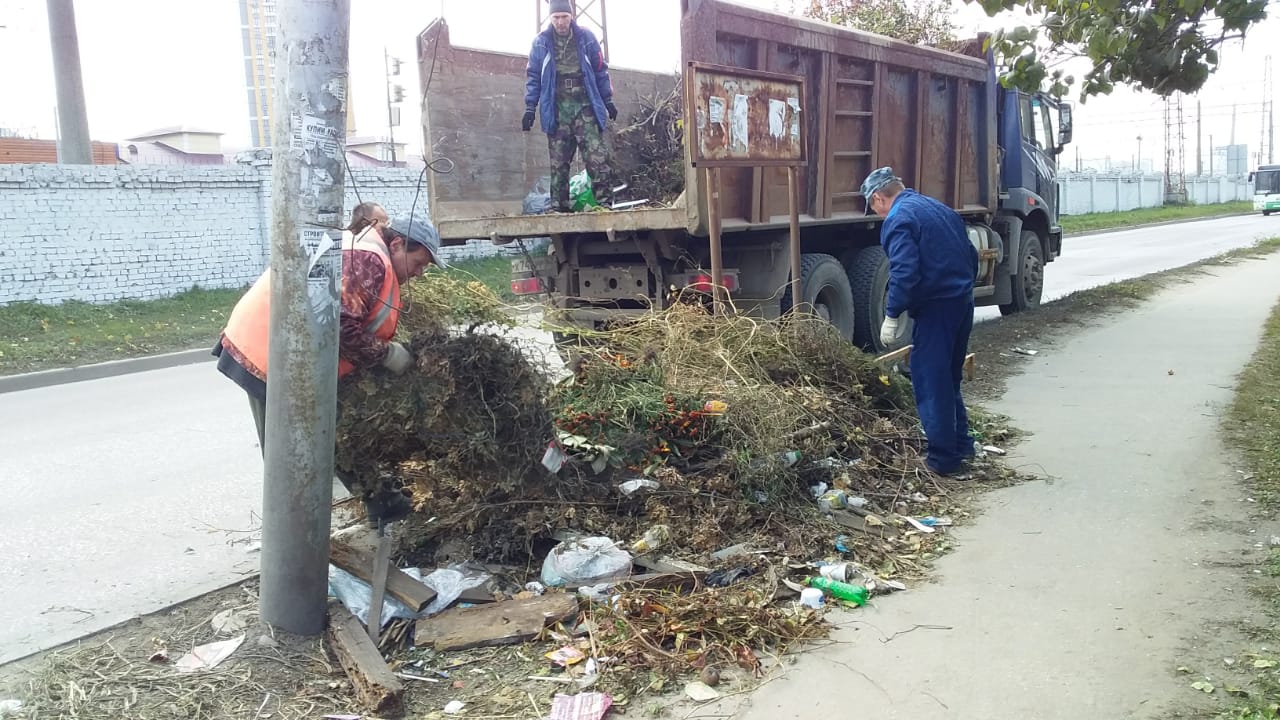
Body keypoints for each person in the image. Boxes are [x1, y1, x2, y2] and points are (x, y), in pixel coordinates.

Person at [213, 210, 448, 522]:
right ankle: (291, 541)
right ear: (397, 245)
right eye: (418, 263)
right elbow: (337, 325)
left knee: (333, 428)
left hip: (295, 354)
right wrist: (389, 355)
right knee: (289, 455)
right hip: (270, 354)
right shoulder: (368, 260)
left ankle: (382, 502)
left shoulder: (369, 253)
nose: (418, 273)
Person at [862, 167, 978, 476]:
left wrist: (892, 312)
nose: (876, 212)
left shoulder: (898, 219)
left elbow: (904, 272)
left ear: (878, 198)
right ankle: (963, 446)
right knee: (949, 379)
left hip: (936, 310)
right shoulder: (938, 208)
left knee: (930, 382)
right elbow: (970, 253)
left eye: (872, 206)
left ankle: (943, 461)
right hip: (962, 303)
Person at [523, 0, 618, 212]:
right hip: (557, 107)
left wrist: (608, 100)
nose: (560, 22)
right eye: (556, 17)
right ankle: (559, 208)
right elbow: (533, 76)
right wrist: (530, 107)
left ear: (571, 15)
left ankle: (604, 204)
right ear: (550, 18)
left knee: (597, 157)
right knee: (559, 162)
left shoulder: (586, 37)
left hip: (585, 104)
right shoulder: (540, 43)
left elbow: (600, 69)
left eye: (564, 17)